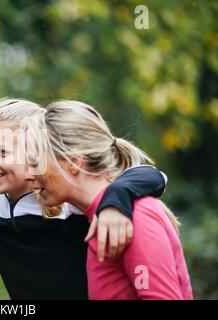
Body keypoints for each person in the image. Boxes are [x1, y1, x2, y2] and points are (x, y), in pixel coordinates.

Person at [0, 98, 168, 299]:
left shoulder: (69, 195)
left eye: (3, 152)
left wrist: (116, 199)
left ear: (37, 153)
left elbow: (154, 176)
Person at [21, 100, 193, 299]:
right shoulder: (103, 217)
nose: (27, 174)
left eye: (34, 162)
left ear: (73, 163)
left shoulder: (132, 217)